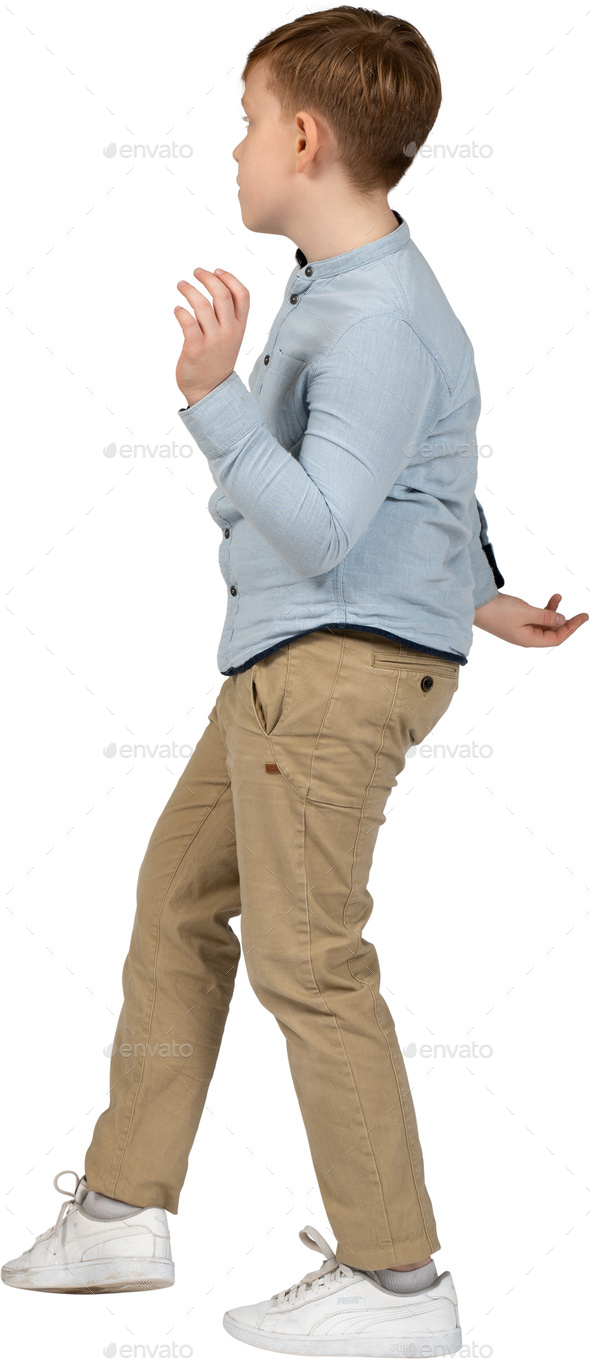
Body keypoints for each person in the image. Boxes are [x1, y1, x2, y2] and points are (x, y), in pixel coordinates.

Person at [3, 7, 586, 1354]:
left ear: (307, 139)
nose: (235, 146)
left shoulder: (374, 313)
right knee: (177, 903)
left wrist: (206, 397)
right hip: (290, 665)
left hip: (324, 678)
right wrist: (478, 598)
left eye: (250, 120)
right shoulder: (346, 282)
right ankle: (121, 1208)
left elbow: (322, 527)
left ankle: (397, 1286)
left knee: (308, 960)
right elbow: (414, 483)